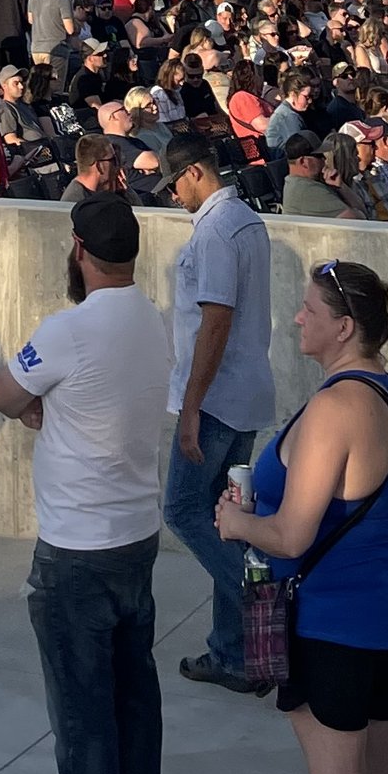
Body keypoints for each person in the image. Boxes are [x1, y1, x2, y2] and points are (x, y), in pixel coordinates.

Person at [220, 258, 388, 774]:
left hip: (331, 625)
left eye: (309, 308)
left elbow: (291, 533)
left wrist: (236, 521)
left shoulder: (335, 406)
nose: (298, 316)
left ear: (343, 326)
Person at [0, 190, 173, 774]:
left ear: (78, 249)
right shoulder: (153, 319)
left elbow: (3, 390)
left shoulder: (67, 329)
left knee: (83, 715)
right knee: (135, 695)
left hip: (76, 546)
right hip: (136, 533)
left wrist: (38, 406)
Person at [160, 137, 275, 692]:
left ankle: (268, 604)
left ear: (195, 172)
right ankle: (233, 653)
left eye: (174, 182)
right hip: (245, 394)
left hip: (217, 400)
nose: (173, 194)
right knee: (224, 522)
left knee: (183, 509)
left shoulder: (213, 230)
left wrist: (190, 408)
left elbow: (216, 321)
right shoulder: (247, 220)